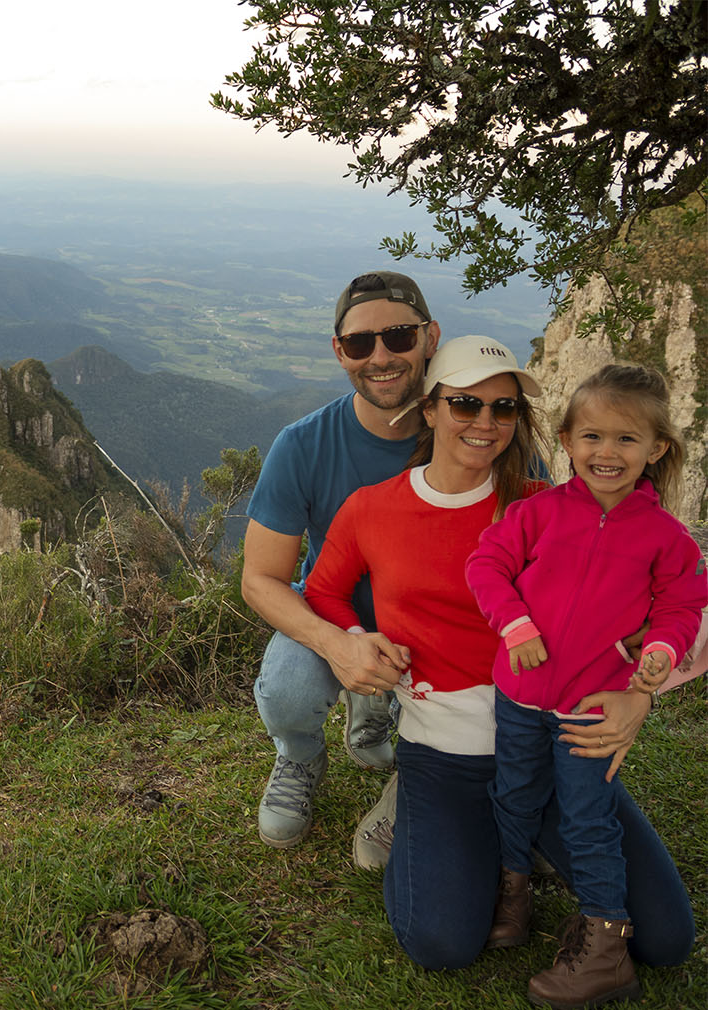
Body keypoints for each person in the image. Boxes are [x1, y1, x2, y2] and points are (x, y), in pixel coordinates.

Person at [302, 337, 698, 975]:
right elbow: (322, 591)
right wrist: (352, 638)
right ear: (429, 410)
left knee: (664, 940)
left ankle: (509, 843)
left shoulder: (549, 506)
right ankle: (433, 821)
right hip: (445, 751)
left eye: (504, 408)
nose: (485, 423)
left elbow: (678, 604)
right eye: (464, 403)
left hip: (561, 740)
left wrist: (641, 694)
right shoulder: (371, 509)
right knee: (442, 944)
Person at [465, 364, 706, 1007]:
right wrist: (515, 626)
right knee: (513, 794)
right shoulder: (536, 513)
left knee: (587, 818)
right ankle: (512, 896)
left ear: (656, 450)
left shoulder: (665, 538)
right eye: (592, 437)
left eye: (627, 440)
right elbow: (486, 564)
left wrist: (656, 657)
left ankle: (605, 943)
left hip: (590, 707)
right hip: (519, 696)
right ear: (567, 440)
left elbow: (681, 609)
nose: (607, 452)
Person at [243, 270, 435, 853]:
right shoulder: (303, 444)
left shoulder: (478, 427)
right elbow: (260, 579)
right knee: (287, 689)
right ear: (339, 351)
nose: (380, 356)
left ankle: (411, 761)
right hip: (337, 611)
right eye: (360, 343)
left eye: (399, 337)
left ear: (430, 337)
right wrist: (337, 644)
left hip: (444, 622)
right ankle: (301, 756)